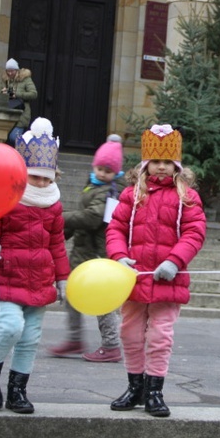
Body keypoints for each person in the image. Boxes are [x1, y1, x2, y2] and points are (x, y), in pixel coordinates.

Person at [106, 124, 206, 418]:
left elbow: (194, 233)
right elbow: (116, 228)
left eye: (166, 162)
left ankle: (154, 391)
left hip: (167, 279)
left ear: (175, 165)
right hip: (135, 279)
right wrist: (119, 256)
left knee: (160, 335)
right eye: (156, 162)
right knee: (131, 333)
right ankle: (135, 386)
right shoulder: (130, 195)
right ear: (146, 164)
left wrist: (175, 261)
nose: (161, 167)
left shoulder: (186, 197)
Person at [0, 117, 70, 414]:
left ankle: (18, 390)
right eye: (34, 177)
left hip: (39, 281)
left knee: (30, 338)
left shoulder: (53, 205)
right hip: (5, 278)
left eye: (46, 178)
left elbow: (56, 244)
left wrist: (62, 278)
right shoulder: (5, 198)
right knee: (10, 327)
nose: (40, 183)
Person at [48, 134, 125, 362]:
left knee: (103, 299)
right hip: (83, 251)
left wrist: (59, 219)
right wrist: (62, 235)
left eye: (107, 170)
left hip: (100, 254)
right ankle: (74, 339)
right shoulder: (93, 184)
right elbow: (82, 220)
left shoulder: (112, 191)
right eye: (100, 168)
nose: (102, 173)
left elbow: (93, 218)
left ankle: (111, 345)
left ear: (116, 172)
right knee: (71, 293)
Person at [0, 58, 38, 147]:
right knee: (4, 139)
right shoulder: (5, 80)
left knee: (14, 138)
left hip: (21, 115)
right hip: (8, 113)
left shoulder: (25, 79)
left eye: (12, 71)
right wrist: (3, 92)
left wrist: (16, 94)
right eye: (8, 71)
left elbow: (33, 94)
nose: (10, 73)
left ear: (16, 70)